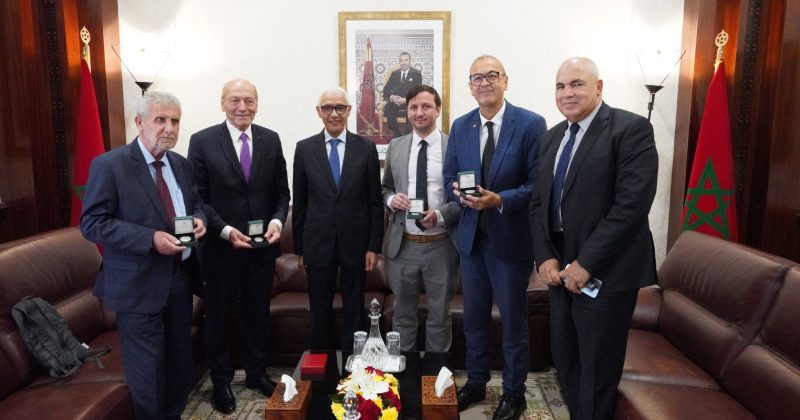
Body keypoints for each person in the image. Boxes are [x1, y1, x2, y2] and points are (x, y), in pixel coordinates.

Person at [529, 57, 658, 420]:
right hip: (560, 271)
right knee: (566, 360)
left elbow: (630, 207)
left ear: (598, 87)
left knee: (598, 369)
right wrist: (545, 256)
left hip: (607, 272)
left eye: (577, 84)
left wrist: (586, 264)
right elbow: (538, 204)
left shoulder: (630, 129)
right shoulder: (552, 137)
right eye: (560, 86)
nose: (567, 93)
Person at [80, 92, 206, 420]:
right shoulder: (110, 166)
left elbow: (194, 204)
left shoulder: (181, 164)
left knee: (180, 366)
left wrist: (199, 219)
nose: (169, 128)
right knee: (148, 375)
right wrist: (149, 239)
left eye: (174, 120)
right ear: (139, 123)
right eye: (160, 120)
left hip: (179, 281)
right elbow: (92, 223)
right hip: (137, 286)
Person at [443, 55, 547, 420]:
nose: (484, 82)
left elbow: (537, 184)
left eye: (491, 75)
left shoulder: (531, 124)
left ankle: (514, 393)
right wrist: (458, 192)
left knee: (513, 323)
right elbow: (450, 177)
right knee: (474, 320)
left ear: (505, 81)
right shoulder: (461, 126)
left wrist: (499, 199)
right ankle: (476, 383)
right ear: (470, 87)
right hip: (472, 241)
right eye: (476, 78)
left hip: (510, 241)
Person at [187, 79, 290, 414]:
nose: (242, 106)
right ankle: (221, 381)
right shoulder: (202, 141)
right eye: (235, 100)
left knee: (257, 314)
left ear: (257, 104)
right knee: (218, 317)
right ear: (222, 104)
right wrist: (226, 230)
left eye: (249, 100)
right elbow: (198, 198)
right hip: (221, 250)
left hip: (262, 249)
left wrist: (277, 222)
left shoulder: (270, 139)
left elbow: (282, 192)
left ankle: (256, 374)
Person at [292, 87, 383, 351]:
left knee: (354, 306)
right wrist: (300, 249)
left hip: (355, 242)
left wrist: (373, 246)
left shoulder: (365, 148)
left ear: (349, 110)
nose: (334, 113)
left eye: (340, 108)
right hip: (317, 242)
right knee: (319, 306)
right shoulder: (304, 149)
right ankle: (322, 361)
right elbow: (300, 202)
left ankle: (353, 362)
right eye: (328, 108)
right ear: (318, 111)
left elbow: (374, 202)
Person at [381, 85, 459, 352]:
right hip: (403, 245)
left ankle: (436, 373)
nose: (419, 112)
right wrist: (392, 200)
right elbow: (385, 188)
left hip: (442, 245)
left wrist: (441, 215)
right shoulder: (396, 146)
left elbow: (464, 196)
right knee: (402, 316)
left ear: (438, 110)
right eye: (413, 107)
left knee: (440, 316)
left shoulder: (454, 146)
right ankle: (403, 372)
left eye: (426, 106)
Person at [383, 52, 422, 135]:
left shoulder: (416, 73)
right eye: (401, 60)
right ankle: (397, 134)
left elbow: (418, 91)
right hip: (396, 101)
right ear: (399, 62)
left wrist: (404, 100)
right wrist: (392, 97)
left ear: (410, 61)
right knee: (388, 107)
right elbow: (386, 89)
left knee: (411, 109)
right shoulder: (394, 73)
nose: (404, 62)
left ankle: (408, 134)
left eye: (406, 60)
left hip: (409, 101)